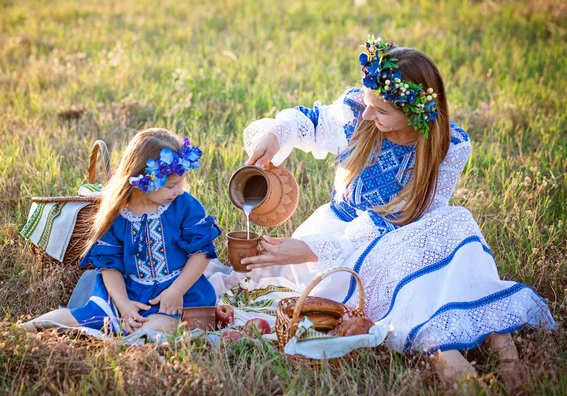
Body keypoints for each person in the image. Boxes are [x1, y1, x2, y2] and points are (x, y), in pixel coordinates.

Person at [206, 37, 555, 387]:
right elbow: (308, 122)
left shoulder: (449, 146)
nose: (368, 114)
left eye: (381, 110)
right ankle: (453, 363)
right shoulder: (358, 112)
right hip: (342, 239)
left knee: (457, 222)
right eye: (369, 104)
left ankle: (506, 352)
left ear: (413, 114)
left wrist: (308, 250)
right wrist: (275, 137)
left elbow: (404, 217)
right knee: (419, 280)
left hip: (405, 233)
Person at [23, 128, 221, 335]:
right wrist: (124, 304)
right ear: (144, 181)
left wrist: (177, 290)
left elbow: (202, 252)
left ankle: (133, 337)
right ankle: (16, 330)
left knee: (159, 327)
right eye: (171, 185)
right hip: (130, 291)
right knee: (82, 317)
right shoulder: (117, 214)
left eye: (181, 183)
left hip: (180, 291)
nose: (179, 190)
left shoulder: (184, 205)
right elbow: (110, 266)